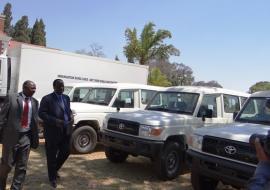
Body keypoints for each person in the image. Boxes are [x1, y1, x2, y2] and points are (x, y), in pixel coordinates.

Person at [0, 80, 39, 190]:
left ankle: (16, 188)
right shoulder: (12, 98)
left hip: (26, 138)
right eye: (32, 88)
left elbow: (34, 120)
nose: (35, 90)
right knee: (6, 165)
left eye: (35, 88)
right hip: (11, 138)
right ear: (25, 88)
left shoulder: (35, 102)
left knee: (22, 167)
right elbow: (2, 118)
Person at [38, 79, 73, 188]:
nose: (62, 88)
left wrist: (71, 116)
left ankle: (54, 170)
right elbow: (42, 113)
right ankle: (52, 178)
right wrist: (56, 121)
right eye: (59, 86)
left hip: (65, 131)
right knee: (51, 156)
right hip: (52, 132)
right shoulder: (47, 99)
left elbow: (68, 110)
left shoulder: (66, 98)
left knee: (66, 151)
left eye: (63, 86)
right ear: (54, 87)